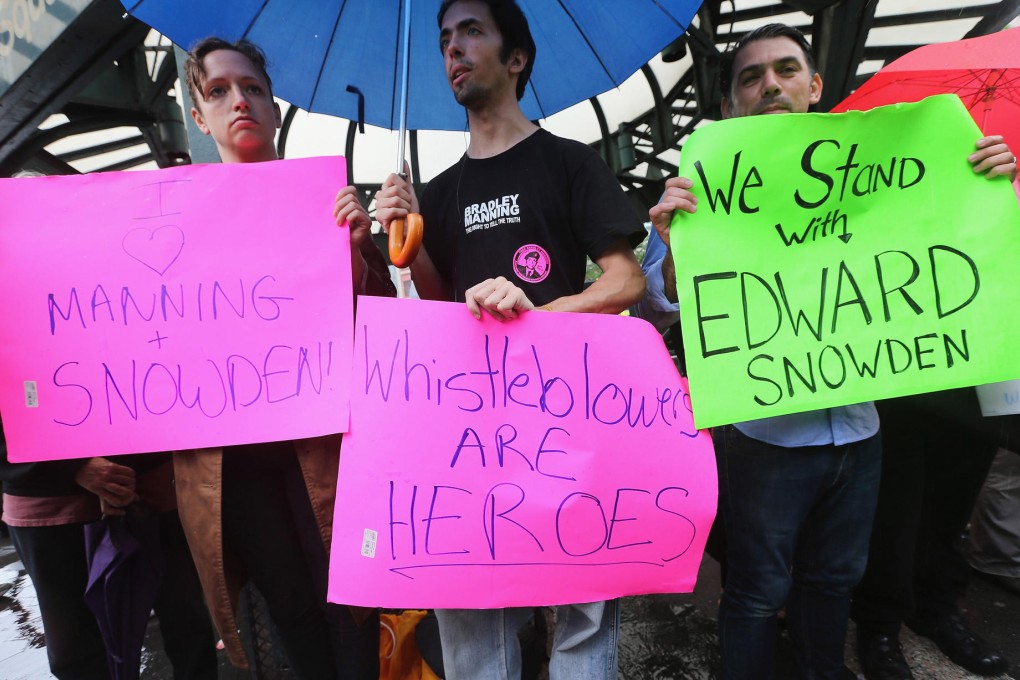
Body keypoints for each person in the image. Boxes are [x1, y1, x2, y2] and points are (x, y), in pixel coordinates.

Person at [648, 23, 1017, 680]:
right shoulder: (700, 183)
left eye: (786, 70)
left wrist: (989, 189)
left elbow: (948, 240)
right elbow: (666, 305)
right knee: (759, 592)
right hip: (764, 439)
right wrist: (676, 242)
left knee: (834, 582)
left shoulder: (875, 165)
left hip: (860, 431)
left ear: (814, 86)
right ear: (730, 103)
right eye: (751, 77)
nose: (771, 86)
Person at [358, 1, 646, 678]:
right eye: (445, 39)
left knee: (583, 610)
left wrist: (538, 314)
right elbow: (438, 304)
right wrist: (410, 239)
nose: (453, 49)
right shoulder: (438, 192)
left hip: (569, 422)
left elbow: (626, 281)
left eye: (471, 32)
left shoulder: (570, 164)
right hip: (472, 437)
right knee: (471, 614)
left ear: (516, 58)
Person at [175, 37, 394, 679]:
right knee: (291, 606)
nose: (238, 101)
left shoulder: (326, 206)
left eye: (252, 88)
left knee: (350, 601)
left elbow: (382, 336)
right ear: (198, 113)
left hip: (323, 445)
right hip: (233, 457)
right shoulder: (174, 219)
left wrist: (356, 253)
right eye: (218, 91)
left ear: (273, 107)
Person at [0, 420, 217, 680]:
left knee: (187, 619)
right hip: (46, 498)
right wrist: (72, 465)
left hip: (151, 473)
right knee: (75, 643)